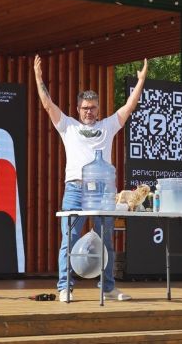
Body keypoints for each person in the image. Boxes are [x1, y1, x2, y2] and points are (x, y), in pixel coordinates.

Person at [34, 54, 148, 302]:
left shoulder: (107, 126)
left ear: (98, 108)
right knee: (69, 239)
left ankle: (107, 287)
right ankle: (65, 287)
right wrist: (38, 76)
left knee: (105, 239)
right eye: (85, 107)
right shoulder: (68, 126)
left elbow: (129, 106)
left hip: (102, 192)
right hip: (75, 189)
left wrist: (141, 80)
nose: (89, 111)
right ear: (78, 109)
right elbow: (47, 104)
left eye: (93, 107)